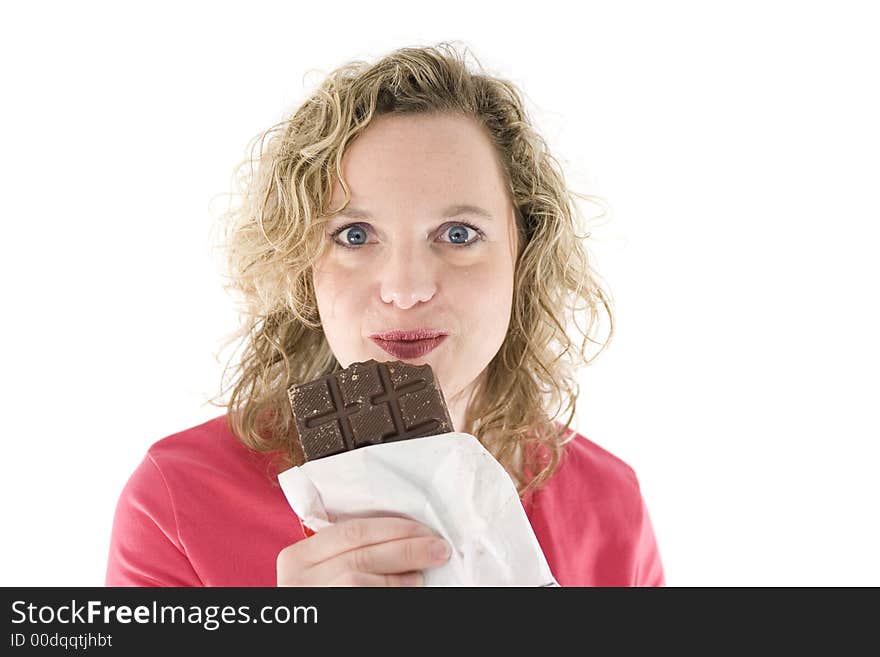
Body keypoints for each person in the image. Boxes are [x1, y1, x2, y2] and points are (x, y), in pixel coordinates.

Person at [105, 42, 665, 587]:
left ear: (526, 253)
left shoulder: (608, 504)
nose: (404, 288)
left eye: (459, 234)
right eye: (355, 235)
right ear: (304, 262)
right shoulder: (180, 500)